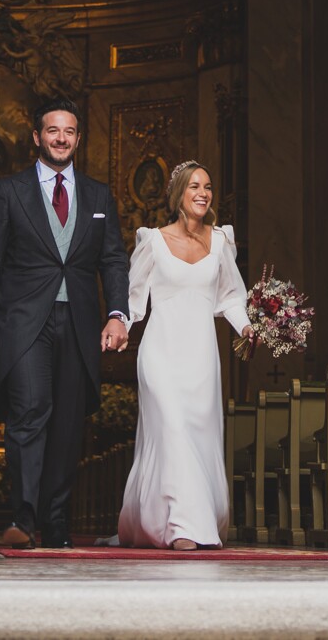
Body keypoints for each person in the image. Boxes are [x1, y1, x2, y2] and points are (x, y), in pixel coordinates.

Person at [0, 99, 131, 549]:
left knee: (67, 425)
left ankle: (56, 522)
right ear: (38, 137)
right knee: (29, 413)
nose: (61, 138)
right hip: (23, 324)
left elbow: (114, 260)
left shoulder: (99, 196)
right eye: (53, 130)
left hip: (79, 324)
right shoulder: (9, 191)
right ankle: (23, 518)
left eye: (70, 131)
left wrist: (118, 314)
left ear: (78, 138)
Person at [113, 162, 250, 549]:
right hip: (160, 351)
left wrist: (247, 328)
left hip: (202, 356)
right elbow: (133, 299)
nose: (203, 192)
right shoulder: (152, 240)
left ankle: (169, 519)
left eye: (208, 186)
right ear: (178, 195)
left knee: (196, 435)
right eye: (194, 186)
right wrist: (122, 325)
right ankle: (182, 528)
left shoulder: (222, 241)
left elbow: (230, 298)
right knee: (171, 428)